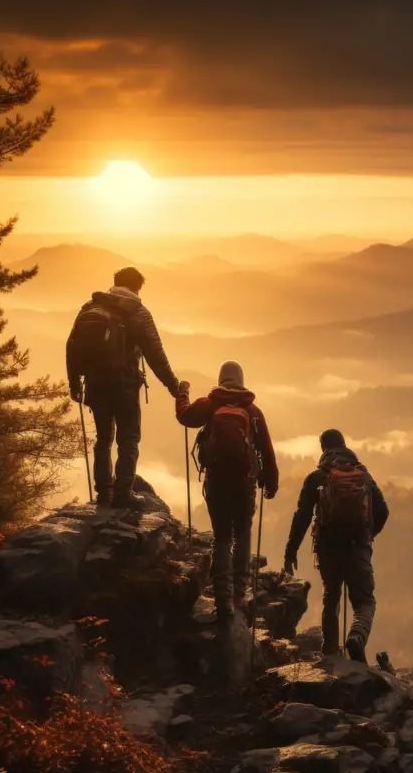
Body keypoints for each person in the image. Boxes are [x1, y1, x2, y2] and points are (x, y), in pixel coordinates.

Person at [67, 266, 180, 508]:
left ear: (115, 283)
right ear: (137, 287)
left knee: (103, 438)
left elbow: (72, 344)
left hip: (96, 383)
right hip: (124, 385)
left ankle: (103, 493)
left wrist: (74, 382)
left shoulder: (90, 307)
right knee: (128, 439)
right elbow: (155, 354)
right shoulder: (138, 312)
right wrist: (174, 386)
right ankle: (123, 493)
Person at [176, 362, 279, 623]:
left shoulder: (211, 403)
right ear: (241, 380)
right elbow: (267, 451)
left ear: (221, 378)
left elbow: (185, 416)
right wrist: (270, 484)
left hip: (217, 481)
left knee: (222, 538)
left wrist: (183, 392)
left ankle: (222, 598)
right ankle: (238, 594)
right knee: (242, 533)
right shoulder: (252, 410)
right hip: (245, 482)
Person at [283, 429, 388, 663]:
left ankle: (329, 653)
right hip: (357, 547)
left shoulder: (316, 477)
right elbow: (383, 510)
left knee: (331, 597)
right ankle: (357, 635)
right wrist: (367, 536)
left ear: (323, 448)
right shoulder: (363, 475)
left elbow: (302, 516)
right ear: (344, 445)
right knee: (364, 601)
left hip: (327, 548)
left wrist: (290, 552)